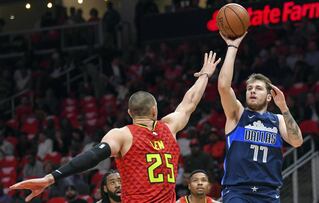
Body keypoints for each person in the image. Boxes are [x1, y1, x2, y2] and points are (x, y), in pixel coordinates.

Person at [9, 51, 221, 203]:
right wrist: (204, 75)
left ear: (130, 113)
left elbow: (93, 156)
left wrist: (50, 177)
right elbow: (190, 102)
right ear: (155, 111)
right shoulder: (170, 127)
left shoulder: (122, 135)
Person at [217, 32, 303, 202]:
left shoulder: (277, 119)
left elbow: (297, 142)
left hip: (269, 193)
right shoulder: (237, 114)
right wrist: (232, 47)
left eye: (258, 88)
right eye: (249, 88)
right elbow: (223, 86)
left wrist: (284, 107)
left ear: (269, 96)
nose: (252, 91)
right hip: (237, 192)